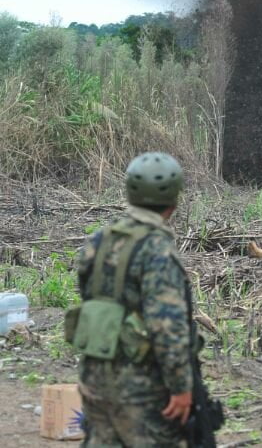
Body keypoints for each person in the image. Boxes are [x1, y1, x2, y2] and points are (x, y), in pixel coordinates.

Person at [72, 152, 194, 447]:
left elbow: (89, 293)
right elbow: (167, 326)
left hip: (94, 375)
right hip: (140, 385)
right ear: (174, 201)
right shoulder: (157, 250)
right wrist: (181, 387)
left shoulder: (100, 239)